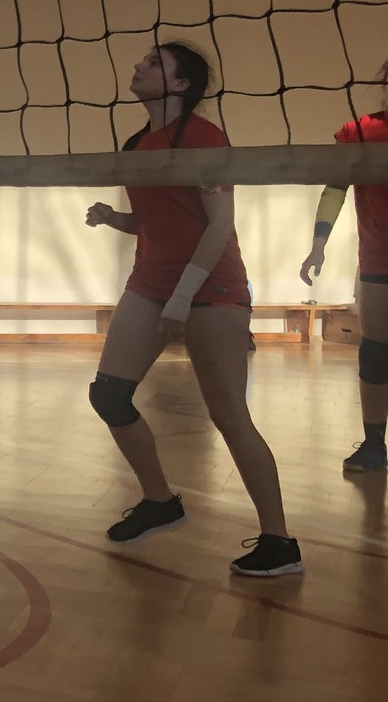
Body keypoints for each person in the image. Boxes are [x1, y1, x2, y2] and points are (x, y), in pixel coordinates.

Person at [84, 43, 301, 577]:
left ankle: (279, 542)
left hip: (212, 288)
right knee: (108, 394)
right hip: (150, 283)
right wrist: (115, 218)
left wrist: (184, 295)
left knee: (228, 415)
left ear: (180, 85)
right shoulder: (138, 143)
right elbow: (157, 219)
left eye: (155, 63)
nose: (139, 65)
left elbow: (218, 224)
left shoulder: (203, 138)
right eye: (143, 59)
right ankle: (160, 501)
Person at [300, 56, 388, 473]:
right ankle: (373, 445)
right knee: (375, 354)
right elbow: (335, 188)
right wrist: (318, 245)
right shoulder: (359, 133)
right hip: (379, 262)